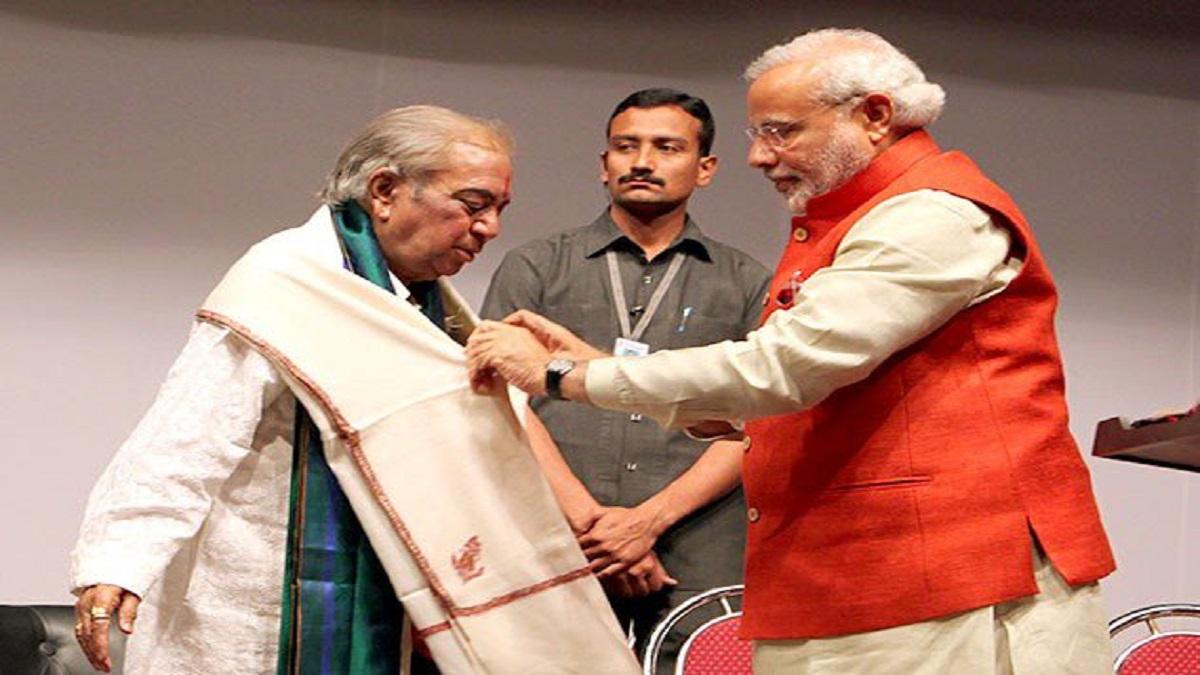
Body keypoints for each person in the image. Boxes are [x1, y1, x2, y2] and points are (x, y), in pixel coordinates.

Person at [467, 29, 1116, 674]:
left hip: (944, 577)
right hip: (861, 573)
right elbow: (804, 390)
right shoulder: (863, 218)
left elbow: (785, 368)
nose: (759, 156)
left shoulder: (932, 216)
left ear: (874, 116)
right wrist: (607, 370)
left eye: (780, 131)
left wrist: (568, 374)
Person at [70, 105, 639, 675]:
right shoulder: (285, 281)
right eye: (473, 204)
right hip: (250, 615)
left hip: (378, 611)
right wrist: (118, 563)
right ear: (385, 191)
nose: (490, 227)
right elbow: (188, 438)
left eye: (498, 209)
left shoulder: (428, 312)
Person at [479, 88, 771, 661]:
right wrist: (597, 529)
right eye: (625, 146)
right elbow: (497, 399)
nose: (642, 161)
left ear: (705, 168)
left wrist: (646, 522)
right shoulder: (536, 266)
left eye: (667, 147)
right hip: (555, 531)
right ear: (603, 164)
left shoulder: (747, 281)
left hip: (698, 540)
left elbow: (760, 423)